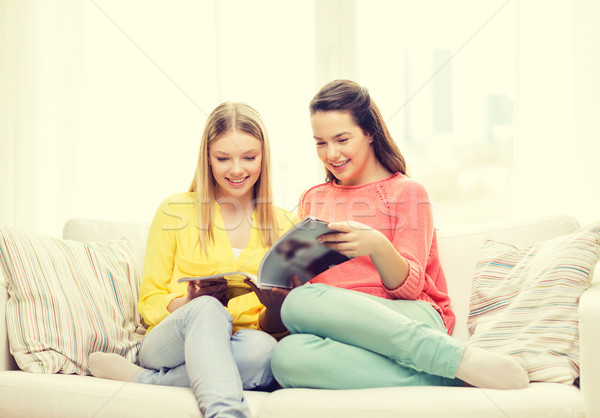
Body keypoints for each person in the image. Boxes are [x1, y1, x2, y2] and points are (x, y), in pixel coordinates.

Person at [270, 80, 530, 390]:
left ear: (369, 133)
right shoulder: (313, 198)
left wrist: (377, 246)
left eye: (342, 139)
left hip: (410, 317)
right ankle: (448, 372)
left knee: (301, 303)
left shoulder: (408, 192)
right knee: (286, 357)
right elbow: (313, 292)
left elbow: (409, 290)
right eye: (320, 143)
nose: (332, 153)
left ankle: (447, 356)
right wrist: (280, 285)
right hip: (343, 327)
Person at [89, 102, 298, 417]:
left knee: (267, 352)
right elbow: (149, 303)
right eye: (223, 158)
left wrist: (276, 307)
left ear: (263, 158)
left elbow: (273, 329)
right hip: (171, 341)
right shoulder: (175, 210)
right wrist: (188, 302)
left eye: (249, 157)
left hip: (243, 342)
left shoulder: (286, 225)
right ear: (207, 159)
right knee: (207, 307)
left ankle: (146, 381)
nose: (237, 169)